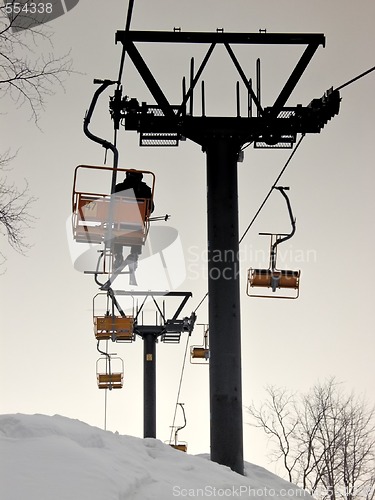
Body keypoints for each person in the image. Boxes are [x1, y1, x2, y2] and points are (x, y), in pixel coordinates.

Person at [112, 170, 154, 270]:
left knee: (116, 232)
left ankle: (118, 254)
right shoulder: (145, 189)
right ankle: (134, 254)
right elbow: (151, 208)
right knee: (137, 234)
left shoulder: (119, 187)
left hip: (120, 223)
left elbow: (111, 205)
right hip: (136, 224)